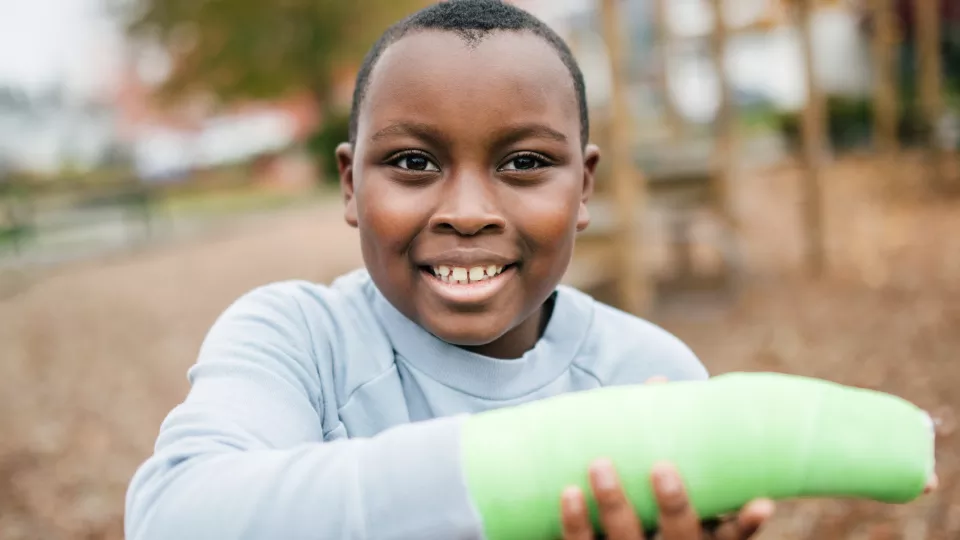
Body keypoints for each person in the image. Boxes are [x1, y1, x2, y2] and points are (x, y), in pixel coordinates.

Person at [124, 1, 776, 538]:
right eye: (413, 163)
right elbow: (174, 516)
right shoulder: (297, 340)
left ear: (584, 188)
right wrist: (512, 468)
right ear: (351, 185)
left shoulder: (647, 377)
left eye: (523, 163)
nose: (467, 214)